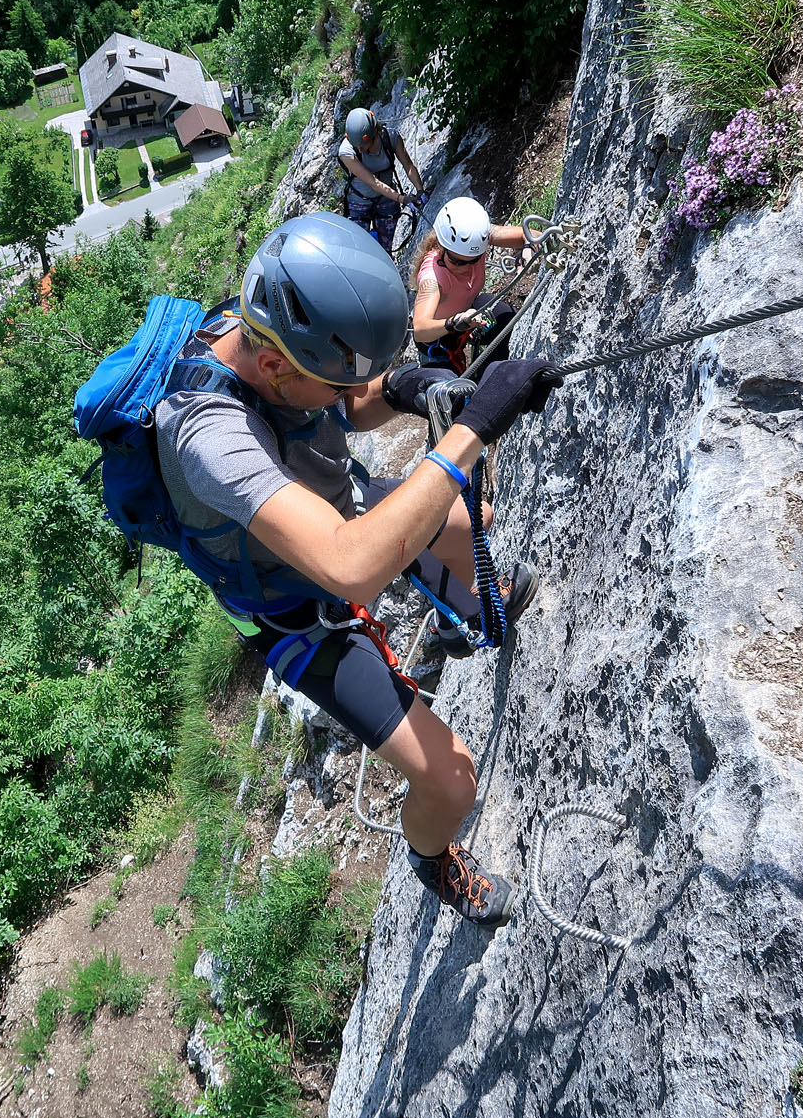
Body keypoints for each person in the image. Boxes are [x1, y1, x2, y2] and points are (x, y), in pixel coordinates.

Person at [155, 211, 560, 928]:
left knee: (469, 527)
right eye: (336, 382)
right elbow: (349, 568)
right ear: (277, 367)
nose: (348, 394)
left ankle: (472, 608)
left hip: (332, 504)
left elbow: (349, 405)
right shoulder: (207, 435)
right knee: (451, 779)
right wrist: (471, 433)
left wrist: (402, 388)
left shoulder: (271, 335)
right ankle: (433, 859)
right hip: (296, 613)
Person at [413, 196, 528, 374]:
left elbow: (528, 235)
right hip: (438, 339)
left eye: (474, 261)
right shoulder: (432, 278)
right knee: (452, 396)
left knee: (506, 321)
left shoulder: (477, 238)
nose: (466, 268)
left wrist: (528, 249)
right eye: (457, 262)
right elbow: (420, 329)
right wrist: (454, 322)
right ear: (441, 247)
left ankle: (487, 380)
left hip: (468, 313)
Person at [338, 107, 424, 253]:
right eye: (356, 146)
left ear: (373, 134)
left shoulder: (391, 138)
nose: (359, 150)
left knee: (385, 250)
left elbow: (408, 166)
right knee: (359, 251)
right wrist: (403, 199)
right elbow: (373, 182)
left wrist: (420, 190)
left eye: (363, 145)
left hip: (387, 200)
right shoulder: (346, 152)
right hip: (359, 202)